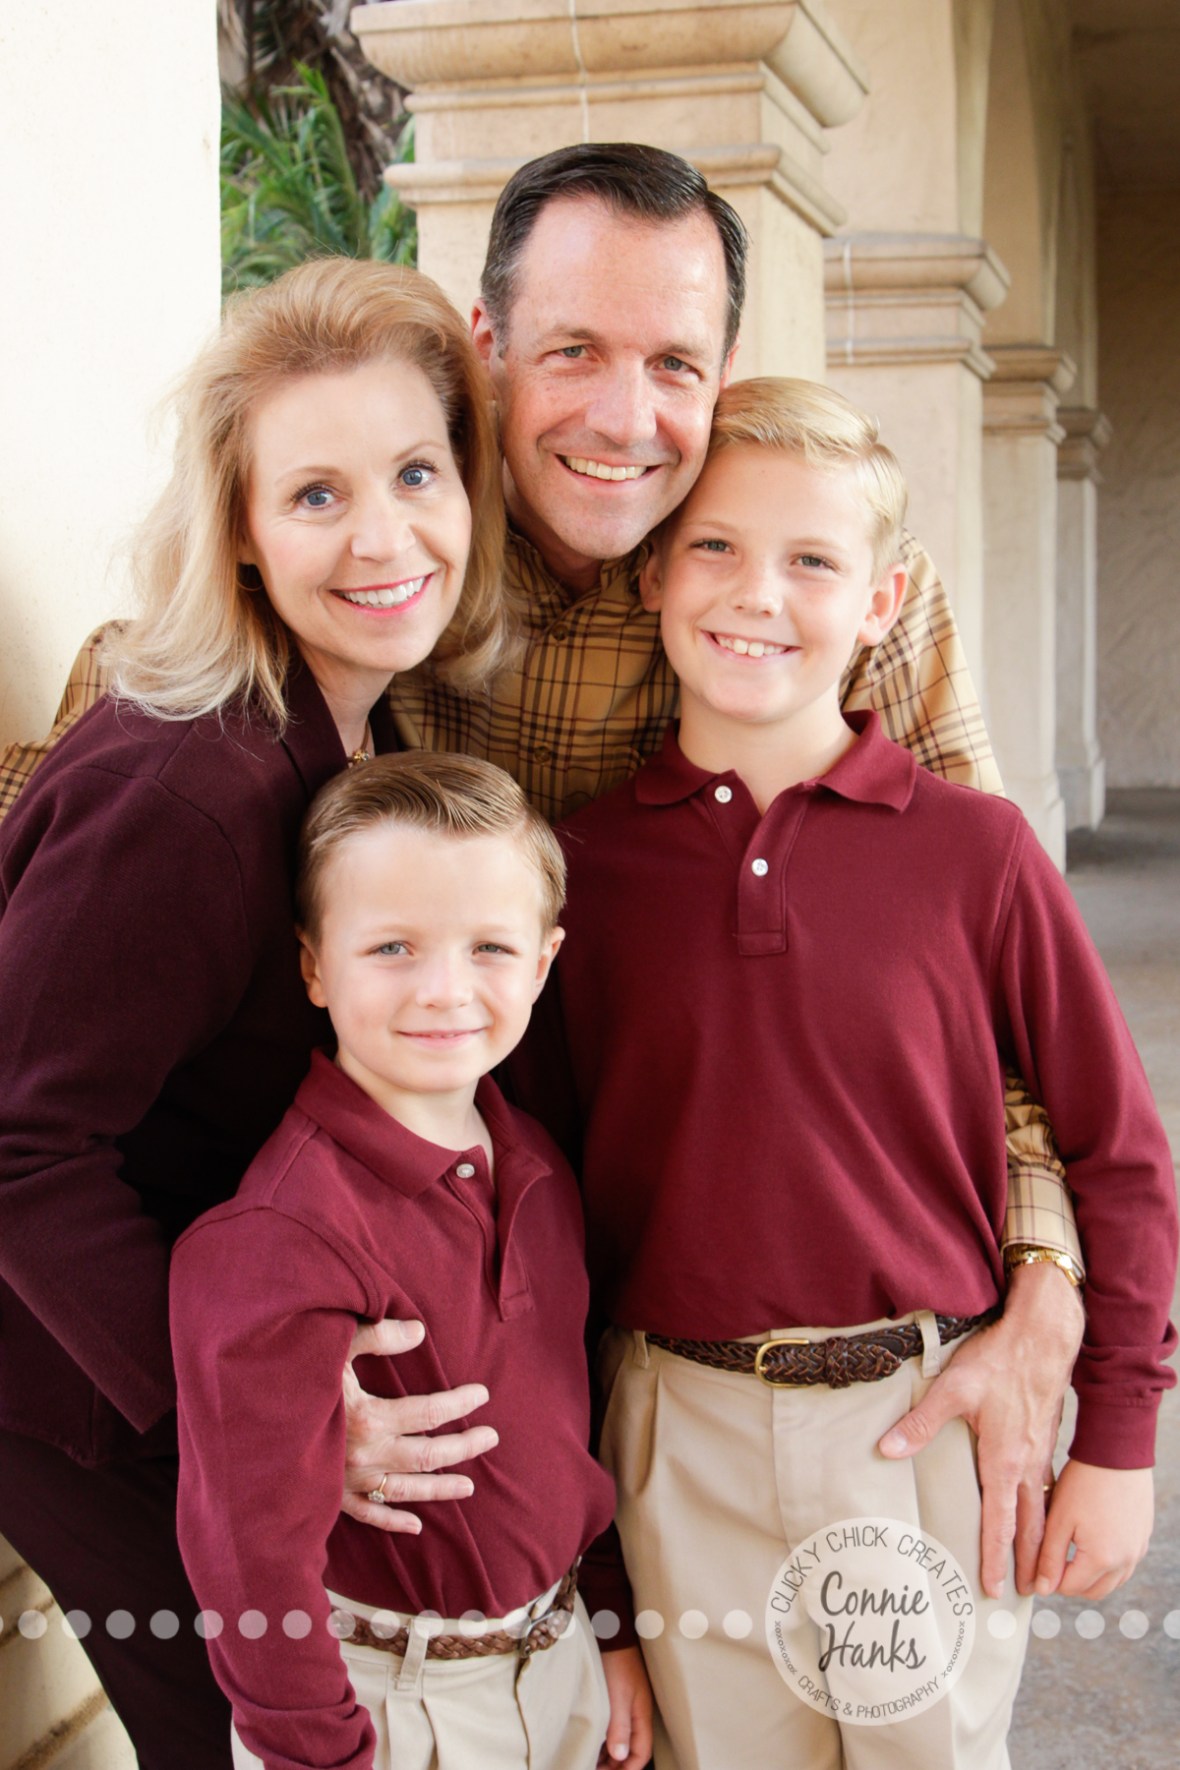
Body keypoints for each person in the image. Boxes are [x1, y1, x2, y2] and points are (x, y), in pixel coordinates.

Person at [0, 144, 1085, 1596]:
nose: (624, 417)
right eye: (573, 350)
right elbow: (73, 914)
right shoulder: (388, 572)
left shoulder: (808, 577)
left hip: (693, 1277)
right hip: (346, 1285)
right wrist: (252, 1389)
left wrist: (1052, 1285)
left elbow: (1000, 978)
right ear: (487, 348)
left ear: (725, 369)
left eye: (674, 364)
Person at [517, 378, 1177, 1768]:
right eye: (715, 547)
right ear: (652, 574)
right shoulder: (578, 873)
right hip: (674, 1433)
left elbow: (1117, 1149)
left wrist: (1119, 1431)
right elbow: (545, 1217)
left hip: (913, 1434)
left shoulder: (976, 853)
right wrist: (593, 1564)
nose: (758, 592)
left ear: (882, 604)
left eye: (813, 560)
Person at [0, 257, 512, 1768]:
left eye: (417, 471)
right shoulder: (194, 790)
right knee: (247, 1741)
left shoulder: (350, 726)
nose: (385, 535)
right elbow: (19, 1143)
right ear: (236, 526)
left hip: (211, 1341)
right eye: (315, 495)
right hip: (77, 1387)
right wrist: (258, 1417)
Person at [170, 751, 652, 1770]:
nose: (445, 990)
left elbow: (568, 1432)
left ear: (544, 961)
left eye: (488, 947)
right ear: (311, 964)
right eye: (391, 946)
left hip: (556, 1662)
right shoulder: (278, 1234)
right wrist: (320, 1754)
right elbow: (249, 1565)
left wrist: (603, 1623)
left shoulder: (538, 1170)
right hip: (387, 1706)